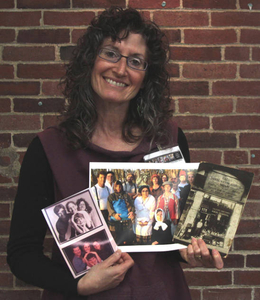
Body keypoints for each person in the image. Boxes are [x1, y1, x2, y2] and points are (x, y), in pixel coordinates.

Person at [7, 7, 223, 300]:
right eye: (110, 53)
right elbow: (22, 255)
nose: (121, 70)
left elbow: (169, 242)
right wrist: (79, 285)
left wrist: (188, 252)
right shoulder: (48, 149)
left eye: (136, 61)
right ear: (89, 60)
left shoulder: (168, 139)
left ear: (146, 78)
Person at [107, 180, 135, 245]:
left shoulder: (126, 195)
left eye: (120, 186)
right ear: (114, 187)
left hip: (126, 221)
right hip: (115, 221)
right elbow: (109, 207)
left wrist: (132, 212)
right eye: (117, 187)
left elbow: (132, 204)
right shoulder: (111, 196)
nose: (118, 188)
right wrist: (114, 215)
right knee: (116, 238)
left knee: (127, 237)